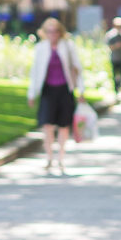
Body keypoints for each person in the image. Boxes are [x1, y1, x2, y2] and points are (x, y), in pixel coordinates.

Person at [27, 18, 85, 175]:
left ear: (60, 32)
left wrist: (81, 90)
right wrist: (31, 93)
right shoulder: (40, 48)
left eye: (56, 31)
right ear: (45, 33)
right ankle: (49, 157)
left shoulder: (67, 46)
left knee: (63, 125)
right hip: (48, 90)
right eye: (49, 31)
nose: (53, 34)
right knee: (47, 124)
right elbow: (35, 72)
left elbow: (76, 68)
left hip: (65, 89)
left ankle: (60, 157)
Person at [105, 17, 121, 97]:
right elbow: (109, 47)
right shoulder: (110, 35)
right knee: (114, 73)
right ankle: (116, 89)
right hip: (113, 57)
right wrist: (116, 46)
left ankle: (120, 86)